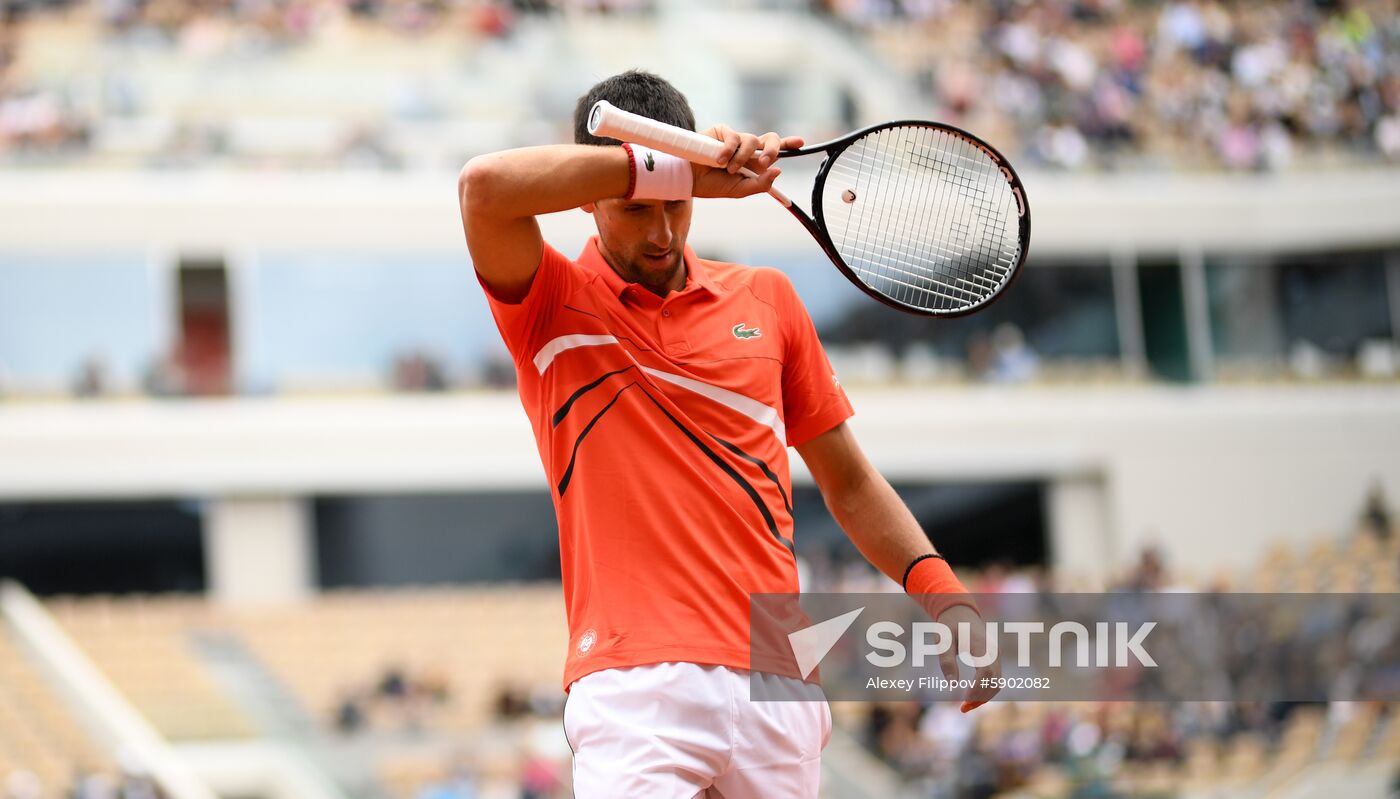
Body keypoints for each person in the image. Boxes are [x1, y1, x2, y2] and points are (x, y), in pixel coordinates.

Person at [457, 69, 998, 798]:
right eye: (635, 207)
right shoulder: (549, 303)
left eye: (677, 205)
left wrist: (945, 596)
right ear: (588, 198)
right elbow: (484, 188)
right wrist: (676, 168)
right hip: (633, 683)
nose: (662, 231)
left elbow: (850, 481)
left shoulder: (767, 300)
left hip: (777, 670)